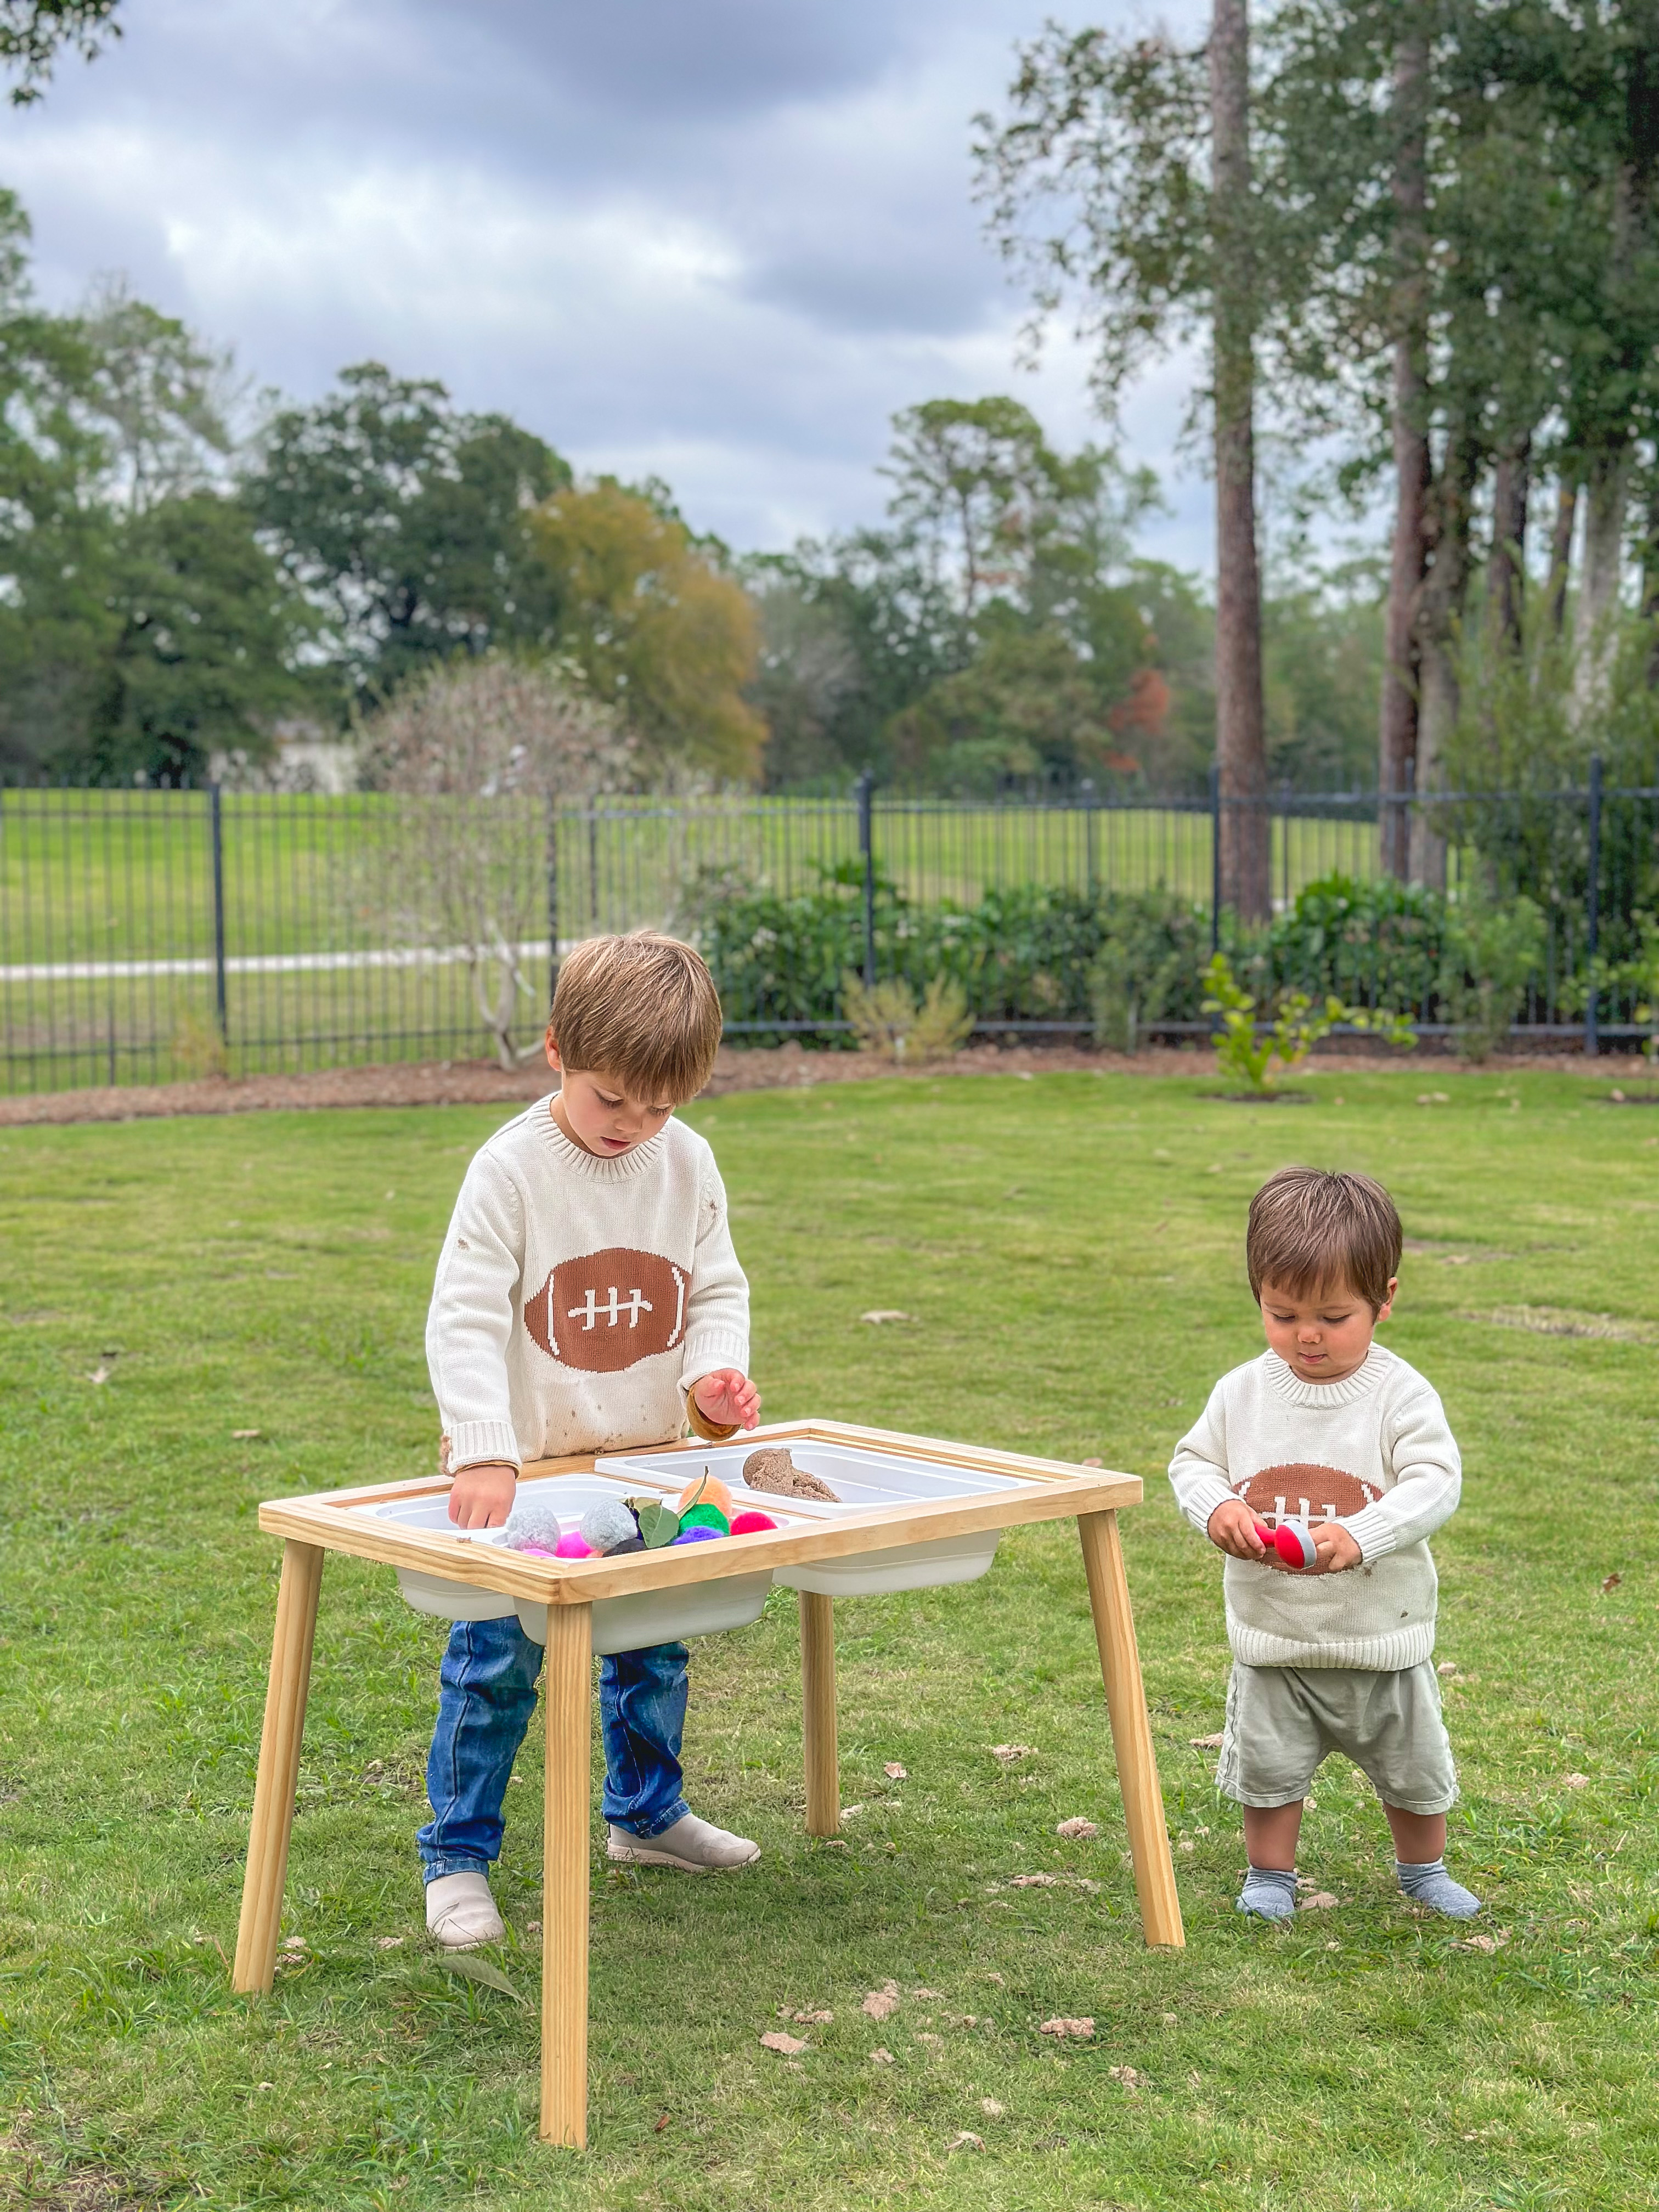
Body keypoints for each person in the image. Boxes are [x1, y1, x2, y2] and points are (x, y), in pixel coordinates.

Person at [419, 930, 761, 1950]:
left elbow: (718, 1288)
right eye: (615, 1098)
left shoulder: (687, 1161)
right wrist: (484, 1445)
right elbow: (466, 1314)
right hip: (529, 1479)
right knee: (495, 1669)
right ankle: (458, 1856)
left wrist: (712, 1375)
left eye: (659, 1105)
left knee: (654, 1654)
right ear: (557, 1049)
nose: (635, 1124)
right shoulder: (511, 1171)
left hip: (649, 1466)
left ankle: (648, 1816)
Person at [1169, 1165, 1480, 1922]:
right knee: (1270, 1769)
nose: (1307, 1335)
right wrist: (1217, 1511)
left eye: (1334, 1317)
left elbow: (1435, 1478)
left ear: (1386, 1301)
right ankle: (1271, 1877)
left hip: (1381, 1638)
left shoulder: (1398, 1393)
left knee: (1412, 1767)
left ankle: (1423, 1869)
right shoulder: (1242, 1392)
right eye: (1282, 1314)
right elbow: (1194, 1462)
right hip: (1276, 1635)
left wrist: (1360, 1533)